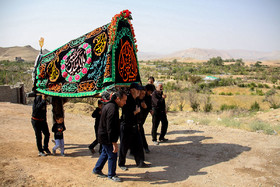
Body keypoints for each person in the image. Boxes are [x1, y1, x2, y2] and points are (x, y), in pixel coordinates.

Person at [92, 90, 127, 182]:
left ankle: (97, 169)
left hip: (104, 134)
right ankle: (111, 174)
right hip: (106, 136)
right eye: (124, 100)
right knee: (112, 154)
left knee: (105, 153)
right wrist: (114, 142)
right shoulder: (112, 108)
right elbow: (110, 126)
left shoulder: (109, 105)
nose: (125, 102)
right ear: (118, 99)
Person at [118, 83, 150, 171]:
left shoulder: (136, 99)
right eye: (138, 90)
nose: (139, 92)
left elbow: (139, 114)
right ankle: (121, 163)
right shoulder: (127, 99)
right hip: (126, 127)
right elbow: (125, 115)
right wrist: (135, 113)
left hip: (134, 126)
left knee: (139, 145)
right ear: (133, 90)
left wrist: (138, 124)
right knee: (124, 146)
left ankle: (140, 162)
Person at [137, 84, 154, 153]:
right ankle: (144, 147)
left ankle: (144, 147)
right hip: (137, 118)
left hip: (142, 118)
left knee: (140, 132)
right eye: (150, 91)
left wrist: (147, 108)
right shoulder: (139, 97)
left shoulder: (148, 98)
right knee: (140, 132)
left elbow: (149, 107)